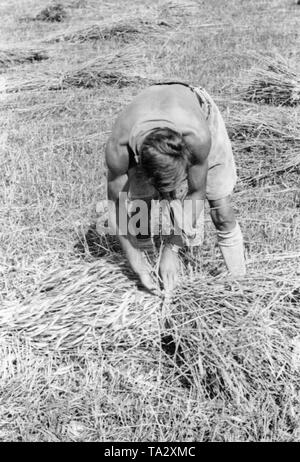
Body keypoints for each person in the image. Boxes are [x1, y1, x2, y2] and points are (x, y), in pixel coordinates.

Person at [105, 82, 246, 293]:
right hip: (143, 122)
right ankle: (150, 275)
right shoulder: (119, 148)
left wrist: (172, 247)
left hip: (195, 108)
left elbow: (196, 193)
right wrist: (136, 261)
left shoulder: (197, 137)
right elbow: (116, 206)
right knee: (141, 204)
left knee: (220, 208)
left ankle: (242, 285)